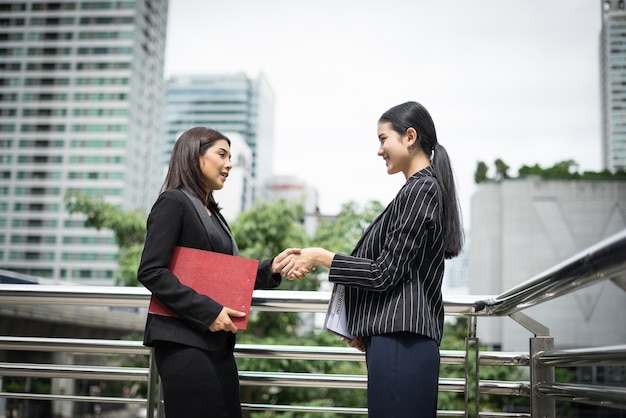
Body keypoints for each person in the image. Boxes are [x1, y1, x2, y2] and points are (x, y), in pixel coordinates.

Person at [283, 101, 464, 417]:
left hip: (401, 343)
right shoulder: (420, 189)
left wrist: (321, 256)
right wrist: (368, 326)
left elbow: (384, 272)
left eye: (383, 139)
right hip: (398, 342)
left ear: (410, 136)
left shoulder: (421, 189)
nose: (379, 150)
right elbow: (399, 275)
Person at [137, 126, 299, 418]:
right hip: (184, 342)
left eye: (230, 156)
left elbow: (225, 275)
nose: (229, 164)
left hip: (216, 342)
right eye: (221, 154)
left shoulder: (211, 211)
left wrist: (271, 268)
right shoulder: (174, 202)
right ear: (193, 156)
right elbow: (151, 270)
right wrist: (208, 312)